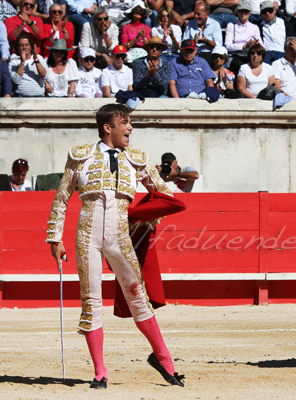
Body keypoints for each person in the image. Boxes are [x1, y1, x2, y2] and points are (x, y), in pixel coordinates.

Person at [46, 103, 185, 390]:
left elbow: (164, 194)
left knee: (138, 297)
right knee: (91, 302)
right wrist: (55, 238)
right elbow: (62, 198)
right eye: (125, 122)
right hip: (87, 238)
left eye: (130, 122)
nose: (130, 127)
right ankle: (100, 372)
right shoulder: (80, 156)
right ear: (108, 127)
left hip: (120, 237)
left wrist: (148, 216)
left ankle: (164, 361)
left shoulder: (138, 160)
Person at [224, 1, 261, 74]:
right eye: (241, 11)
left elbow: (262, 45)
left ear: (250, 12)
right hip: (235, 56)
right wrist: (244, 46)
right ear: (237, 11)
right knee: (243, 67)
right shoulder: (231, 25)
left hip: (251, 55)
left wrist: (256, 45)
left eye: (246, 11)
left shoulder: (254, 27)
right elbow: (227, 46)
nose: (243, 13)